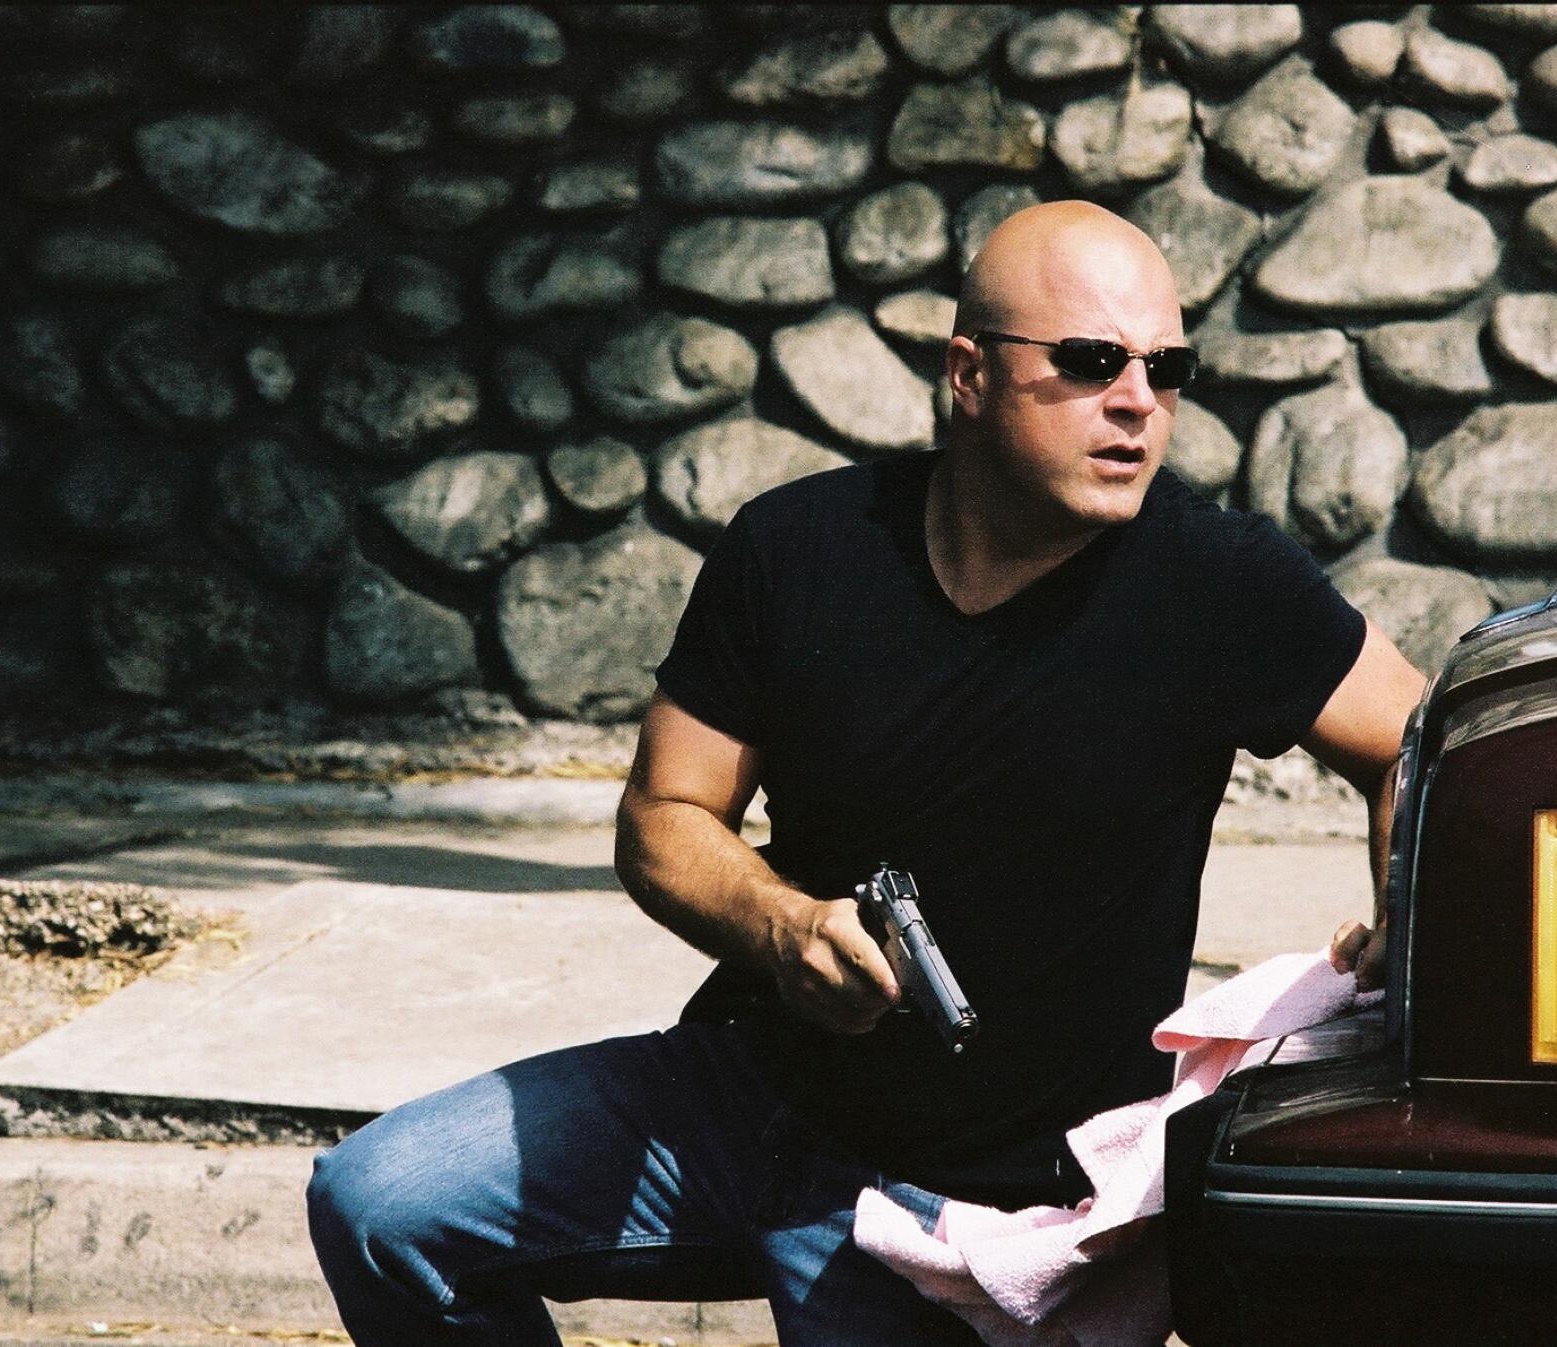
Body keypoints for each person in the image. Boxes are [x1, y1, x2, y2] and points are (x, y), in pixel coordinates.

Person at [304, 200, 1424, 1345]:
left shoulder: (1216, 582)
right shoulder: (798, 549)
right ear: (967, 374)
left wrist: (1404, 919)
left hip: (974, 1207)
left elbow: (1421, 740)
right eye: (1090, 363)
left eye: (1166, 367)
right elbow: (664, 814)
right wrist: (779, 928)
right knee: (380, 1205)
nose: (1138, 400)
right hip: (750, 1101)